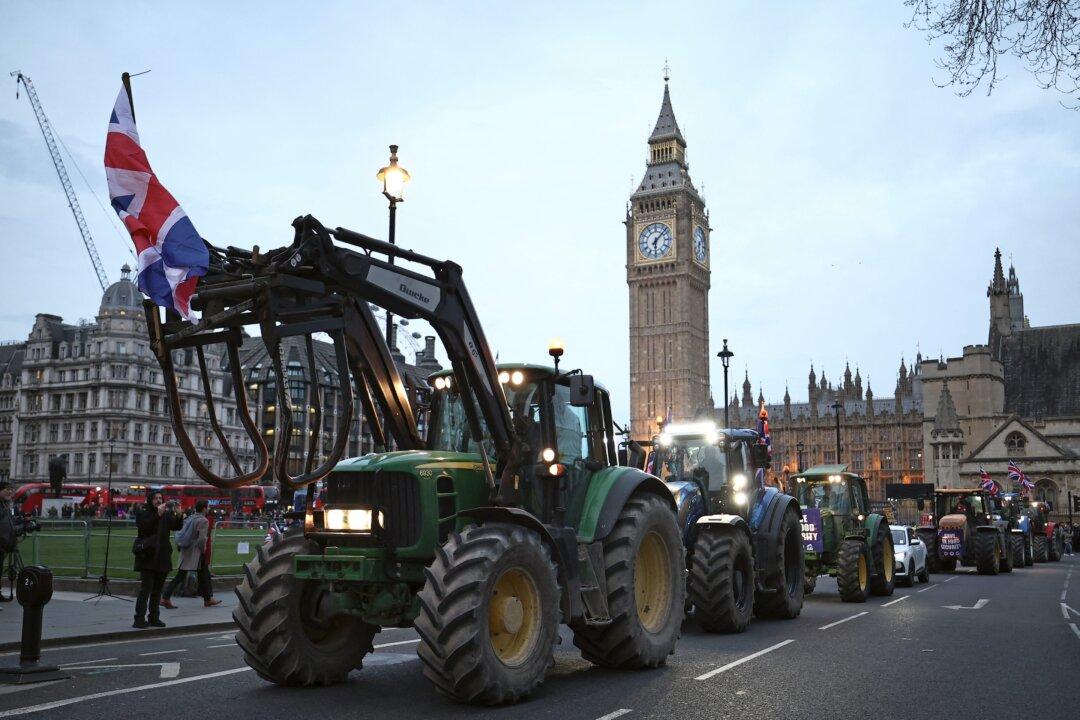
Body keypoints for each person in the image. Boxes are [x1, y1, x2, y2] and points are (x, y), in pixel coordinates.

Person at [133, 491, 182, 628]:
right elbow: (144, 527)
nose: (158, 500)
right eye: (155, 498)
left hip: (162, 556)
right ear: (150, 500)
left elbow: (176, 527)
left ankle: (154, 617)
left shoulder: (166, 515)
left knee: (157, 590)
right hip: (148, 555)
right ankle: (139, 618)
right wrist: (157, 515)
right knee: (146, 588)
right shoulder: (143, 512)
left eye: (160, 498)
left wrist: (178, 515)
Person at [160, 500, 221, 608]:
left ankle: (207, 599)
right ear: (203, 508)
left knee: (202, 574)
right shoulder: (203, 521)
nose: (208, 509)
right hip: (195, 552)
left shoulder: (190, 518)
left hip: (186, 550)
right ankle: (165, 597)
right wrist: (203, 550)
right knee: (182, 575)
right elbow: (202, 540)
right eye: (207, 507)